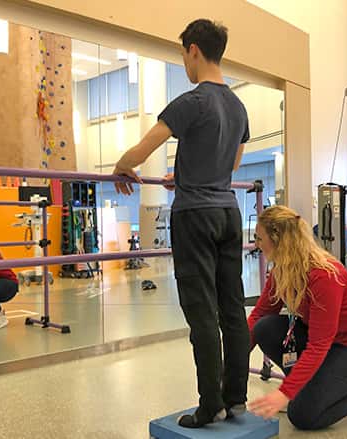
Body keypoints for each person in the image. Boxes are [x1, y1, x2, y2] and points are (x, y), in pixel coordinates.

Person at [112, 19, 250, 428]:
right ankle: (236, 397)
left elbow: (145, 147)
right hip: (228, 211)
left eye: (182, 56)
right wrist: (191, 175)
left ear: (192, 50)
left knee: (202, 311)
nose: (185, 64)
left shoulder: (192, 102)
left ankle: (211, 405)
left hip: (195, 215)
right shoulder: (238, 106)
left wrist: (122, 165)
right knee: (232, 308)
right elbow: (232, 163)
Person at [246, 205, 347, 430]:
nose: (256, 244)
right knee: (265, 327)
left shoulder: (324, 275)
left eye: (259, 238)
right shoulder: (281, 269)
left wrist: (285, 392)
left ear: (278, 241)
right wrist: (234, 359)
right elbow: (262, 313)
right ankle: (307, 390)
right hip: (328, 344)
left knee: (303, 416)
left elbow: (319, 345)